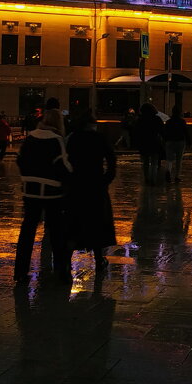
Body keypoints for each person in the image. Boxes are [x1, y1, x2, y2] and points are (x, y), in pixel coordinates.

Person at [14, 109, 72, 284]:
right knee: (56, 231)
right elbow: (64, 165)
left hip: (30, 190)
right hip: (51, 191)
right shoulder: (57, 140)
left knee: (27, 230)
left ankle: (20, 271)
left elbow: (20, 159)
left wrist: (26, 177)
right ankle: (62, 271)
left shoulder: (30, 137)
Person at [65, 110, 117, 273]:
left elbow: (65, 160)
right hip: (95, 184)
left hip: (76, 185)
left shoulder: (72, 138)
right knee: (97, 223)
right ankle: (98, 259)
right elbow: (111, 160)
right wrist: (106, 179)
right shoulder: (99, 138)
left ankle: (66, 261)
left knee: (74, 223)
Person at [131, 103, 165, 185]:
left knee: (145, 162)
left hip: (143, 142)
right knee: (154, 162)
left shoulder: (140, 119)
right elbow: (162, 131)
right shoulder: (157, 119)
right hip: (154, 142)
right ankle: (153, 179)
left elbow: (135, 132)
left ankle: (146, 179)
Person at [163, 105, 190, 184]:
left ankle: (168, 170)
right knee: (179, 160)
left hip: (170, 142)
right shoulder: (182, 121)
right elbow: (186, 132)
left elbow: (165, 132)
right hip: (180, 142)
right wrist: (189, 142)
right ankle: (177, 176)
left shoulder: (168, 122)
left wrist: (165, 141)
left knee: (169, 159)